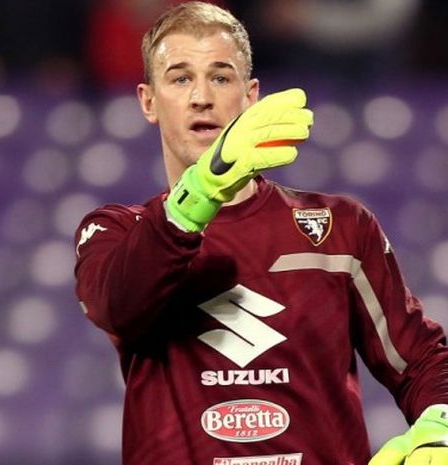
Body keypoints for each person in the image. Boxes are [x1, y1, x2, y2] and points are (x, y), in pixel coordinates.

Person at [72, 2, 448, 464]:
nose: (201, 97)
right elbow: (119, 304)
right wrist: (201, 191)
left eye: (221, 77)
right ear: (149, 101)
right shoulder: (115, 230)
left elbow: (423, 362)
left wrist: (439, 426)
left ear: (250, 96)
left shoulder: (341, 228)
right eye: (180, 77)